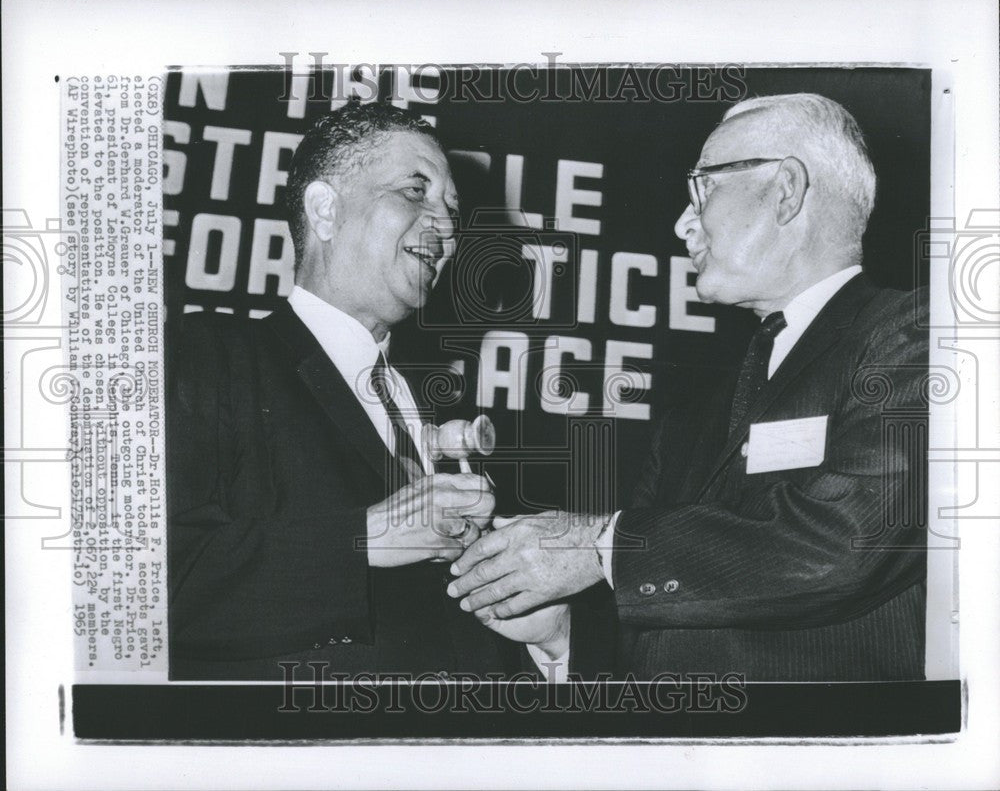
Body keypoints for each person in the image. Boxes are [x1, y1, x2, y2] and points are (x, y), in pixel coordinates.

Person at [448, 93, 929, 681]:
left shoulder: (916, 336)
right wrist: (560, 633)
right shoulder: (693, 415)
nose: (683, 223)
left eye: (704, 188)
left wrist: (598, 545)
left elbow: (852, 543)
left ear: (786, 190)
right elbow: (664, 623)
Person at [167, 103, 566, 680]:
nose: (449, 227)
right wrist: (361, 539)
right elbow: (142, 591)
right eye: (415, 191)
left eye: (452, 208)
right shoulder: (206, 356)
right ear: (325, 210)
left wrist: (552, 641)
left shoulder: (441, 409)